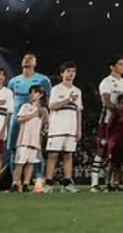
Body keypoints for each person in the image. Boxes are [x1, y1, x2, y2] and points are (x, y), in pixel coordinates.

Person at [7, 53, 52, 190]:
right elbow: (9, 101)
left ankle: (36, 181)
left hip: (35, 121)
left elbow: (48, 102)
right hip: (16, 119)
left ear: (35, 62)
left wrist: (44, 119)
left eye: (30, 58)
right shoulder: (14, 81)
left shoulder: (43, 79)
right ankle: (16, 183)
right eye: (24, 58)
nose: (26, 59)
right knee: (15, 151)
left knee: (36, 151)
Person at [91, 55, 123, 192]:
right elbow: (106, 102)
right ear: (112, 67)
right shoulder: (106, 82)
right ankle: (94, 183)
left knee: (119, 154)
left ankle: (115, 183)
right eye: (120, 64)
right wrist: (120, 113)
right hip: (107, 122)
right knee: (101, 150)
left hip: (122, 124)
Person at [43, 62, 82, 193]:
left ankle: (67, 183)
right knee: (53, 155)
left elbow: (79, 111)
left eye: (73, 71)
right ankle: (48, 183)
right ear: (62, 73)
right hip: (57, 128)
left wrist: (79, 129)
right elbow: (52, 106)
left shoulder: (78, 91)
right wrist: (68, 100)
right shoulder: (56, 89)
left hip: (71, 128)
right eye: (68, 71)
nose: (71, 74)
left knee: (68, 155)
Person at [11, 84, 47, 193]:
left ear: (40, 94)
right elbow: (20, 119)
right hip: (24, 139)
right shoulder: (25, 106)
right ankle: (15, 183)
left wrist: (42, 133)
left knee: (31, 163)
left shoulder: (43, 110)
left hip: (35, 140)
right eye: (31, 92)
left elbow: (46, 124)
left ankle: (26, 183)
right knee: (20, 163)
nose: (31, 95)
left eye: (34, 92)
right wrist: (33, 114)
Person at [106, 93, 123, 191]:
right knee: (112, 164)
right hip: (114, 143)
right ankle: (108, 183)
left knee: (120, 164)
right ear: (118, 104)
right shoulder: (116, 115)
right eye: (122, 103)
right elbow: (109, 127)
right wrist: (108, 140)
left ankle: (117, 183)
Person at [0, 68, 14, 173]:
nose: (0, 77)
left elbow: (9, 112)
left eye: (2, 75)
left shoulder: (8, 92)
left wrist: (4, 129)